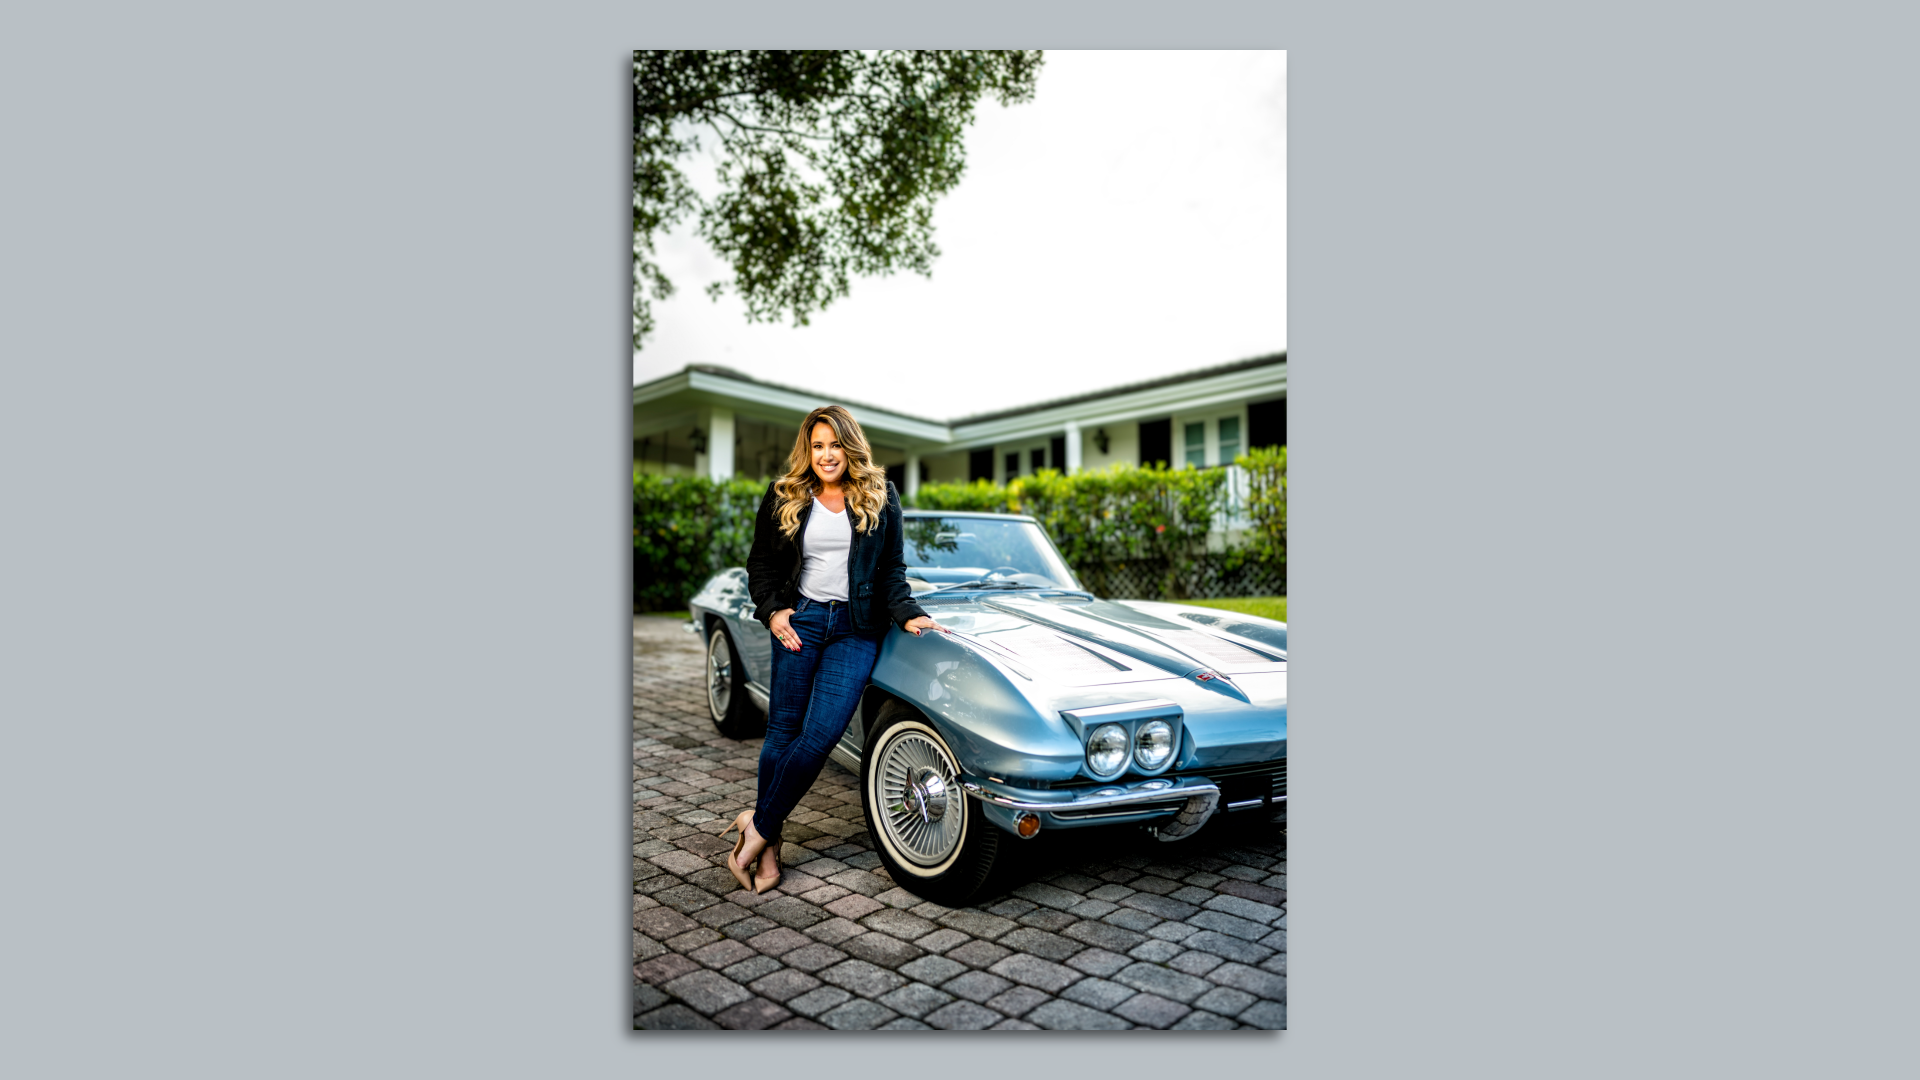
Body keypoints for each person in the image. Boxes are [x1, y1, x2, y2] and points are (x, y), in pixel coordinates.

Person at [721, 405, 948, 893]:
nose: (827, 455)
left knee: (820, 737)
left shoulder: (879, 494)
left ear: (850, 446)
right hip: (799, 621)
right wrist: (775, 611)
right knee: (782, 732)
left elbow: (891, 568)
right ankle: (770, 848)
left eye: (835, 444)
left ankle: (756, 827)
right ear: (809, 450)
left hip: (855, 629)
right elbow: (760, 562)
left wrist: (908, 613)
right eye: (817, 445)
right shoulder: (786, 493)